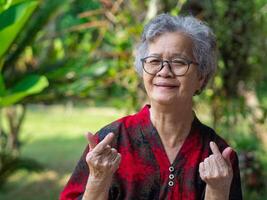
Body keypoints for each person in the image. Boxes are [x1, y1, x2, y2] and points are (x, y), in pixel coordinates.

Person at [60, 13, 243, 200]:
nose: (164, 71)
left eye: (179, 62)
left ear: (201, 77)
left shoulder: (218, 156)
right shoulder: (109, 142)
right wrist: (98, 179)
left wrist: (218, 191)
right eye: (154, 61)